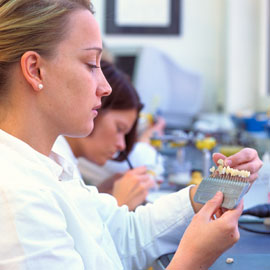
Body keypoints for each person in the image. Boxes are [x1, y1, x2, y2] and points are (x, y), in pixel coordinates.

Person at [0, 1, 263, 270]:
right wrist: (193, 260)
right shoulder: (16, 198)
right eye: (91, 64)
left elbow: (123, 236)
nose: (105, 87)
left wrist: (208, 193)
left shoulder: (50, 165)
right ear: (35, 69)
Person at [53, 59, 156, 211]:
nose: (122, 145)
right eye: (119, 129)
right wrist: (120, 205)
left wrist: (100, 196)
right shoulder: (54, 165)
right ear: (97, 108)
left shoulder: (66, 162)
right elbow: (84, 234)